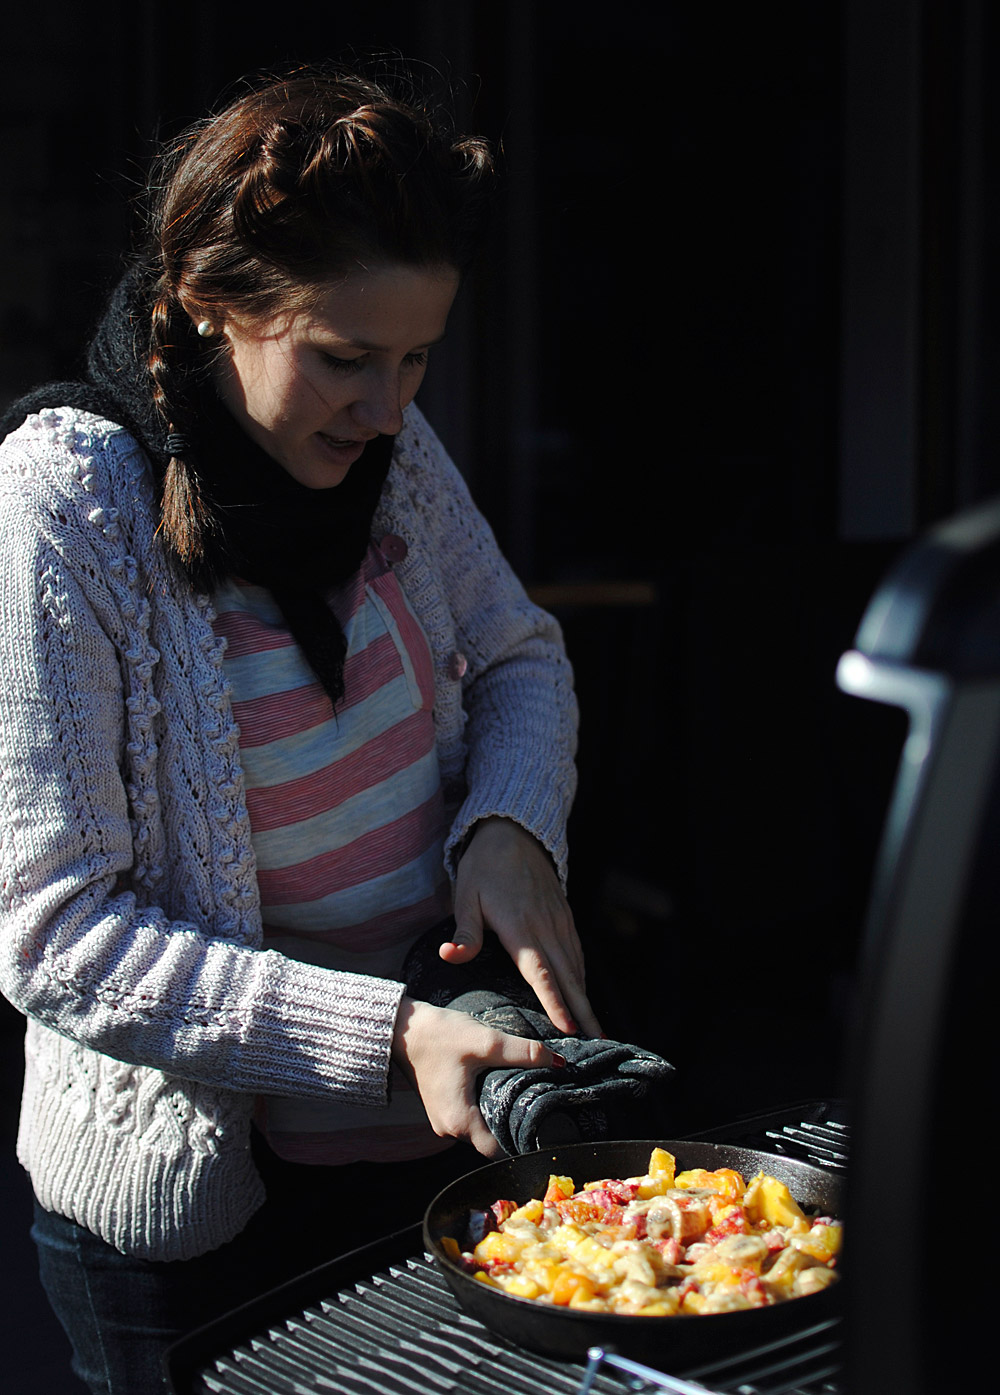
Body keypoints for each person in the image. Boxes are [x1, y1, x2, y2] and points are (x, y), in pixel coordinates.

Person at [0, 62, 600, 1393]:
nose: (390, 408)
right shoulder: (66, 504)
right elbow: (54, 932)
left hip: (422, 1156)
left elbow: (518, 656)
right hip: (189, 1224)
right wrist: (384, 1036)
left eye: (418, 358)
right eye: (344, 359)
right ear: (215, 306)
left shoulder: (391, 446)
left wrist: (510, 830)